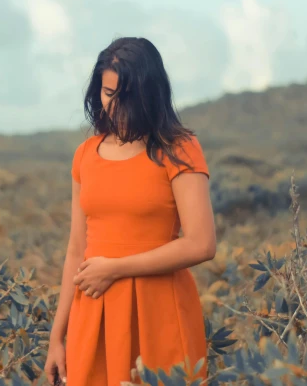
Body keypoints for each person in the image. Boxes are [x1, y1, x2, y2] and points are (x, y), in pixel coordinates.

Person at [44, 37, 216, 385]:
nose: (115, 106)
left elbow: (201, 244)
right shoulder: (85, 154)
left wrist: (115, 269)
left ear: (149, 92)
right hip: (93, 313)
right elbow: (77, 249)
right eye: (109, 93)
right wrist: (56, 337)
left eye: (127, 96)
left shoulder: (179, 148)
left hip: (159, 313)